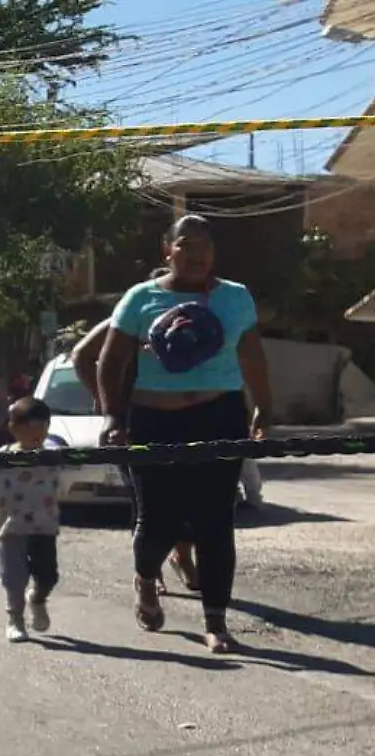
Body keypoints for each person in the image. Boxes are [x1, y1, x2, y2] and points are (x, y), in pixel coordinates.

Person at [97, 214, 273, 654]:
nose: (196, 255)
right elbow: (109, 360)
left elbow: (252, 356)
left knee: (216, 521)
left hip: (220, 416)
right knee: (158, 520)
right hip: (155, 421)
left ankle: (215, 621)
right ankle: (145, 578)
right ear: (168, 251)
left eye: (205, 247)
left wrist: (264, 409)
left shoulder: (235, 298)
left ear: (215, 253)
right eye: (186, 245)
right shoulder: (141, 298)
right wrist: (113, 418)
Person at [0, 396, 63, 643]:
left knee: (48, 576)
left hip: (44, 527)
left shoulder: (53, 457)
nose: (37, 435)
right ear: (13, 428)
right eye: (30, 429)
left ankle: (37, 599)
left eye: (42, 428)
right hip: (11, 528)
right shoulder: (1, 458)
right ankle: (15, 619)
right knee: (14, 577)